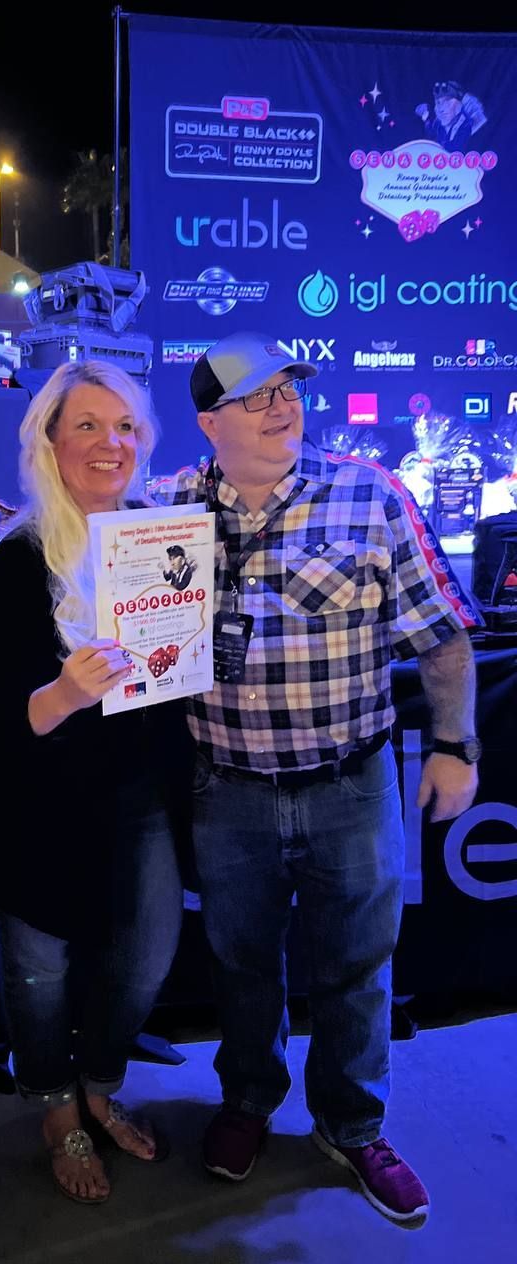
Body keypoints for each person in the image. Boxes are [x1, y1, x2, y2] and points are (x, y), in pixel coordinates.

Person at [172, 331, 480, 1223]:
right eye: (256, 396)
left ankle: (352, 1126)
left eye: (289, 389)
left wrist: (456, 746)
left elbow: (445, 636)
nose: (283, 407)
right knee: (240, 965)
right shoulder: (168, 512)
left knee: (358, 966)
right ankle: (248, 1102)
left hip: (351, 784)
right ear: (207, 423)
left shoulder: (372, 494)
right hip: (226, 786)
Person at [0, 361, 184, 1205]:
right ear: (49, 442)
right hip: (37, 803)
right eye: (88, 425)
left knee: (146, 955)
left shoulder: (161, 542)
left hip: (137, 792)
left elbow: (177, 676)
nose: (111, 443)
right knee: (39, 970)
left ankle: (99, 1081)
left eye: (126, 427)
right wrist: (64, 693)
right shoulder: (15, 562)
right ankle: (57, 1106)